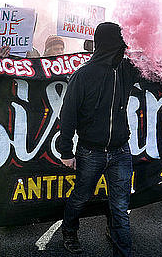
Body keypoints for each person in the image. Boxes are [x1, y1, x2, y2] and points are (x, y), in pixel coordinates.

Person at [58, 22, 136, 256]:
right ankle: (69, 230)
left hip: (121, 151)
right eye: (118, 44)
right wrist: (66, 151)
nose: (122, 49)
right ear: (107, 45)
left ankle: (122, 249)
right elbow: (68, 115)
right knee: (81, 196)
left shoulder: (126, 70)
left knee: (121, 207)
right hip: (90, 152)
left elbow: (158, 67)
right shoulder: (83, 75)